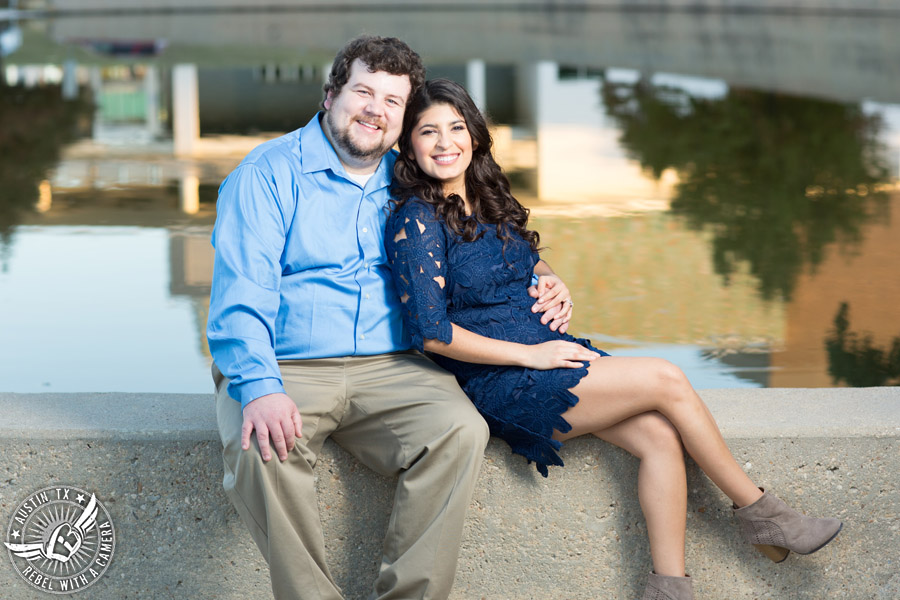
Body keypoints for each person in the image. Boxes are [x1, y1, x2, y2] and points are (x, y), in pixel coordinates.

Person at [384, 78, 843, 600]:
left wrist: (553, 280)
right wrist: (531, 355)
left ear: (475, 135)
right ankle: (762, 514)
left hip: (549, 354)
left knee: (660, 437)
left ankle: (668, 588)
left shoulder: (487, 196)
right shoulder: (416, 220)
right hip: (505, 377)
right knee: (667, 378)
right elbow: (432, 334)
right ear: (410, 145)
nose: (445, 143)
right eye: (428, 132)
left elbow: (521, 260)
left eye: (455, 128)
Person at [207, 37, 571, 600]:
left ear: (403, 119)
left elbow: (486, 235)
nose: (376, 110)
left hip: (395, 367)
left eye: (393, 101)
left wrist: (545, 273)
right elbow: (240, 300)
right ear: (330, 96)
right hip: (288, 363)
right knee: (262, 450)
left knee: (459, 430)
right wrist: (259, 386)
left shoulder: (412, 178)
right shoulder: (267, 175)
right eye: (363, 92)